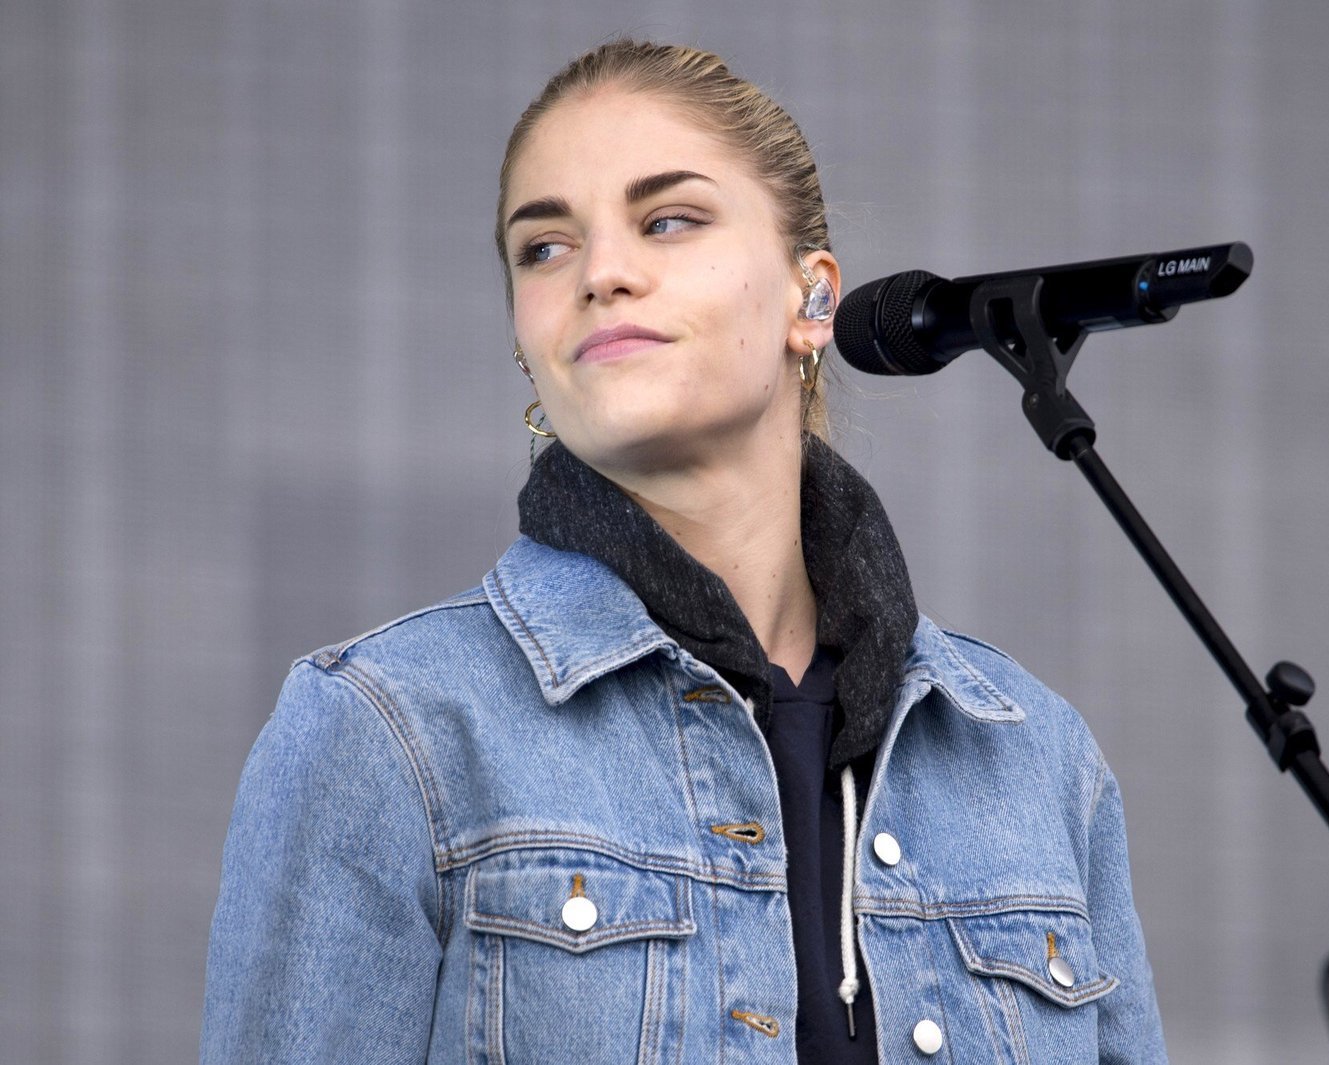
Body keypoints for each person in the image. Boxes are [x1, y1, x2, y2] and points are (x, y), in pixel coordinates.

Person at [201, 39, 1167, 1064]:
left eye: (668, 220)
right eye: (544, 248)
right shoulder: (385, 732)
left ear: (814, 298)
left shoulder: (1034, 758)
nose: (602, 274)